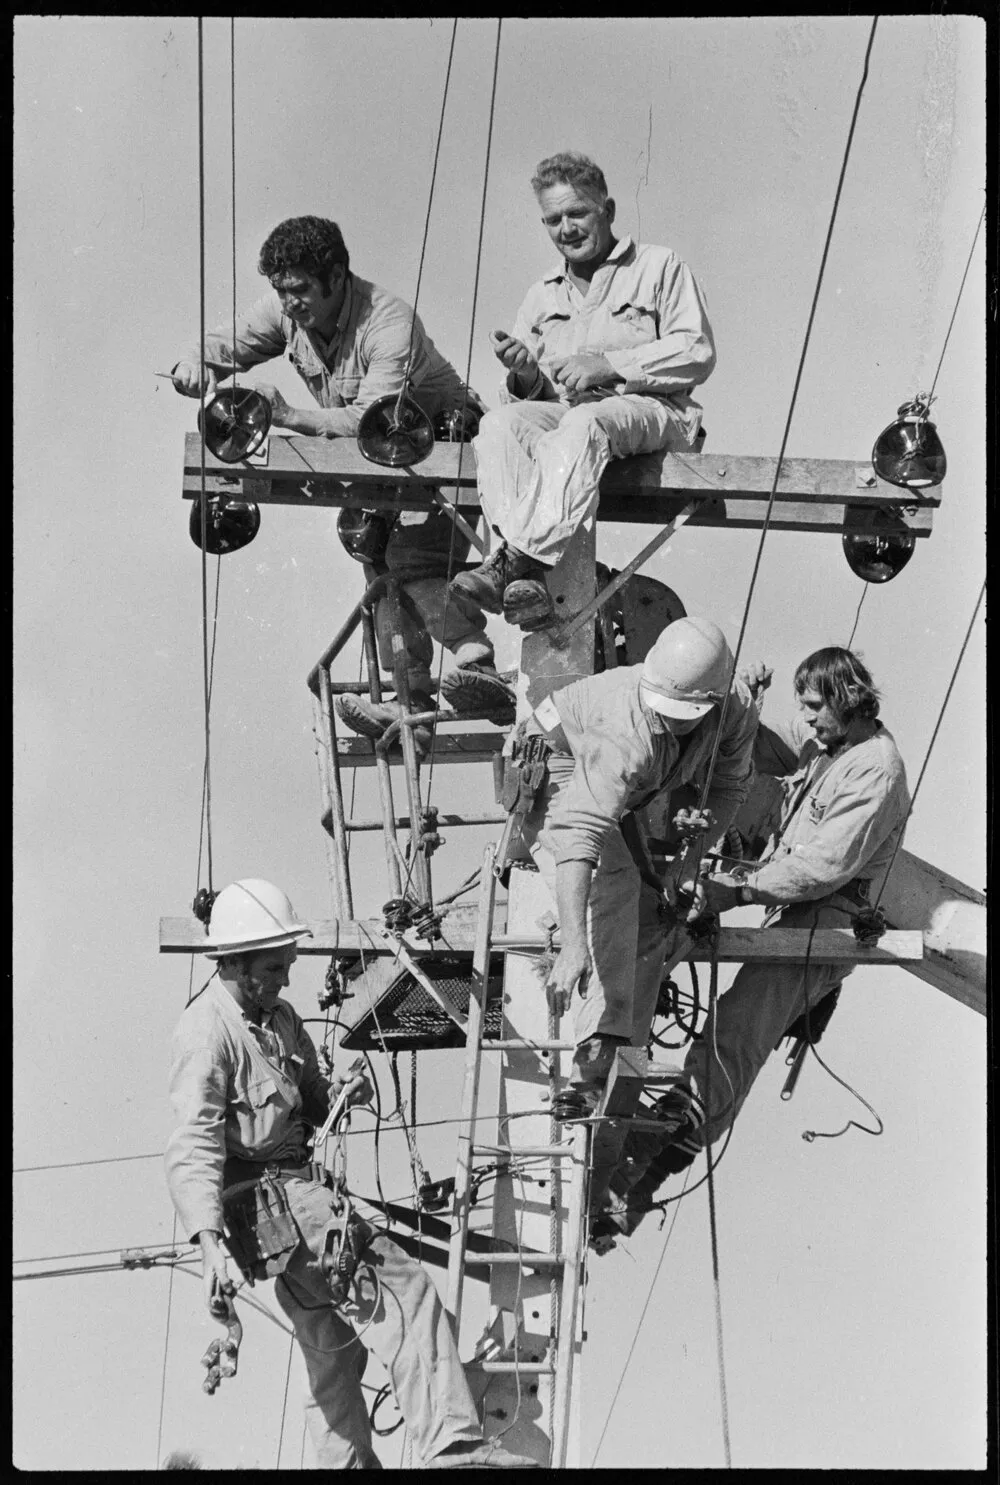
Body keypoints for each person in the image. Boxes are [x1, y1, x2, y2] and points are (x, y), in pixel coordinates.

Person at [164, 877, 536, 1470]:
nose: (287, 977)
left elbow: (312, 1099)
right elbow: (193, 1145)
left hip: (287, 1212)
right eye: (275, 965)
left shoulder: (279, 1018)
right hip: (274, 1204)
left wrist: (344, 1091)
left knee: (332, 1353)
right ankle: (454, 1448)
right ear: (233, 962)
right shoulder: (207, 1031)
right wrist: (208, 1247)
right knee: (405, 1289)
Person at [594, 647, 911, 1246]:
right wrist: (738, 695)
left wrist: (731, 890)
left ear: (847, 699)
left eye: (816, 706)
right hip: (791, 912)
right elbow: (764, 738)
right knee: (663, 974)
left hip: (826, 923)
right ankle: (631, 1138)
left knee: (735, 1030)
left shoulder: (876, 768)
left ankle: (643, 1175)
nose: (808, 718)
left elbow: (824, 866)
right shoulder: (829, 743)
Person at [171, 214, 514, 744]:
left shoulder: (388, 322)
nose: (289, 304)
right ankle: (411, 709)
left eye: (301, 290)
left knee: (408, 563)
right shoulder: (287, 308)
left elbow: (363, 422)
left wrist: (287, 416)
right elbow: (224, 344)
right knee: (379, 568)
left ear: (336, 277)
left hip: (444, 452)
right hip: (384, 471)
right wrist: (197, 362)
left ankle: (476, 662)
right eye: (280, 292)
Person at [450, 151, 716, 632]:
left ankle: (517, 563)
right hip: (570, 427)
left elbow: (696, 351)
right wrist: (525, 376)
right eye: (553, 219)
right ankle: (519, 574)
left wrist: (609, 365)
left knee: (583, 421)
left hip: (652, 411)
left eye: (577, 213)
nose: (566, 229)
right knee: (498, 425)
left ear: (608, 211)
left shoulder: (658, 266)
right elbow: (529, 406)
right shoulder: (541, 295)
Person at [504, 617, 757, 1116]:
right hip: (549, 763)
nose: (667, 719)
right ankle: (594, 1057)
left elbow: (730, 788)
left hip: (629, 790)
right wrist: (574, 944)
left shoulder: (734, 710)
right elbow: (581, 836)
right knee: (612, 877)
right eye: (664, 709)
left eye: (682, 714)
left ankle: (621, 1042)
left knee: (656, 910)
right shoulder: (627, 730)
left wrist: (687, 864)